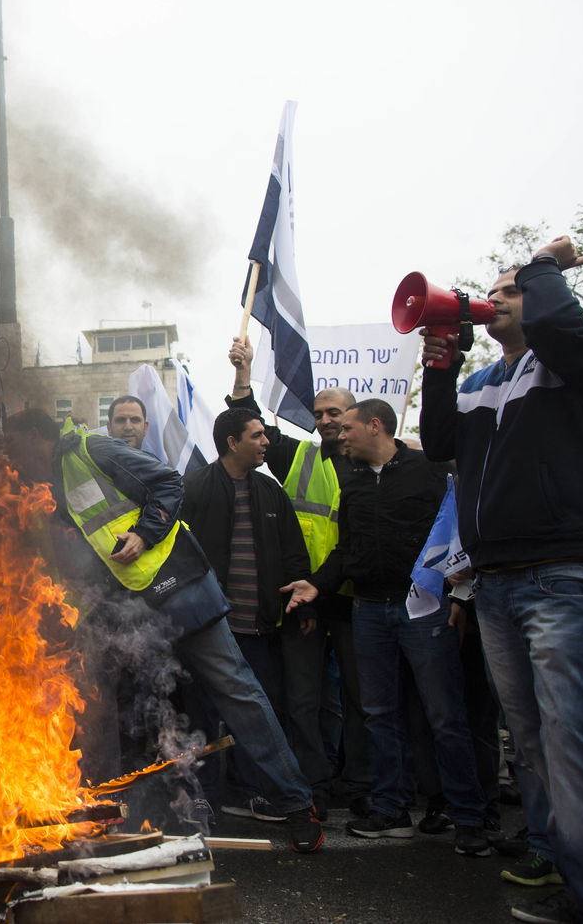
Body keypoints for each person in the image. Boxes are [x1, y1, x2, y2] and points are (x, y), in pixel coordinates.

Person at [1, 408, 324, 853]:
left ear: (38, 434)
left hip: (178, 589)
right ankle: (103, 808)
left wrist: (143, 533)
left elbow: (170, 483)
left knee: (237, 691)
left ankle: (296, 803)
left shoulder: (93, 449)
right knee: (93, 702)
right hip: (117, 610)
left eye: (18, 447)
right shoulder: (41, 483)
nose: (17, 459)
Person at [420, 236, 583, 924]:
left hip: (563, 572)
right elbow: (440, 440)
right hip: (497, 583)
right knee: (530, 741)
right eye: (493, 289)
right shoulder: (483, 385)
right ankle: (564, 862)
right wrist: (439, 362)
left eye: (511, 289)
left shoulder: (576, 362)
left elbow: (569, 333)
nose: (494, 297)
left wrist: (543, 264)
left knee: (573, 736)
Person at [308, 399, 488, 856]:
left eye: (348, 427)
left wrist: (462, 594)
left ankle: (468, 817)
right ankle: (392, 811)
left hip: (425, 609)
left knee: (444, 714)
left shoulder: (431, 470)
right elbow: (347, 549)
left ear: (375, 426)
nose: (340, 435)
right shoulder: (351, 483)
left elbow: (462, 531)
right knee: (379, 713)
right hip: (368, 609)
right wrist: (315, 586)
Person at [227, 337, 370, 818]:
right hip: (301, 603)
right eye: (321, 414)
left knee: (361, 700)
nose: (327, 420)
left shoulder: (375, 468)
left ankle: (363, 785)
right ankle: (315, 785)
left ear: (356, 419)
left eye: (337, 414)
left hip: (356, 602)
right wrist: (244, 374)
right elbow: (251, 424)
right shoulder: (299, 456)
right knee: (303, 700)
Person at [180, 407, 315, 821]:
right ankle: (201, 791)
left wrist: (302, 599)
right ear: (232, 442)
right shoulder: (195, 487)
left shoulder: (270, 491)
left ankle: (249, 790)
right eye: (256, 436)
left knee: (255, 711)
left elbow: (292, 550)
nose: (265, 442)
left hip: (258, 624)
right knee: (200, 710)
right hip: (207, 625)